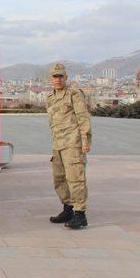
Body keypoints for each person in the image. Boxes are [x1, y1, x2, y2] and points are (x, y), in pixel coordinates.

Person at [46, 63, 92, 230]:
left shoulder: (74, 94)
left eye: (60, 76)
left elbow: (83, 118)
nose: (57, 79)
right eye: (54, 76)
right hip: (58, 144)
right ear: (50, 78)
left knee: (75, 179)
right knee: (59, 179)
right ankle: (68, 209)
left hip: (73, 144)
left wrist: (85, 142)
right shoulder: (50, 98)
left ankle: (80, 214)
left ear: (66, 78)